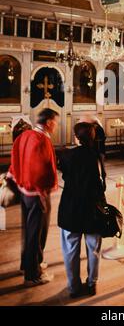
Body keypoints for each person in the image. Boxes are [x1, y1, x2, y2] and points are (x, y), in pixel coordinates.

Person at [7, 108, 59, 286]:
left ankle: (28, 263)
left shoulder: (25, 136)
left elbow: (14, 160)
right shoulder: (41, 139)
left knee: (29, 231)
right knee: (35, 233)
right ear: (50, 122)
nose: (56, 126)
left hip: (24, 191)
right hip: (37, 193)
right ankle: (33, 275)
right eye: (56, 122)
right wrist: (43, 192)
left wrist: (18, 183)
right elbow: (40, 169)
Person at [58, 122, 106, 298]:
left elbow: (64, 172)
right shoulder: (97, 157)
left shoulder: (66, 156)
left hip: (71, 208)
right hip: (93, 209)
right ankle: (92, 284)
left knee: (70, 250)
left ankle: (73, 287)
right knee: (94, 249)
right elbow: (102, 185)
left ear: (76, 137)